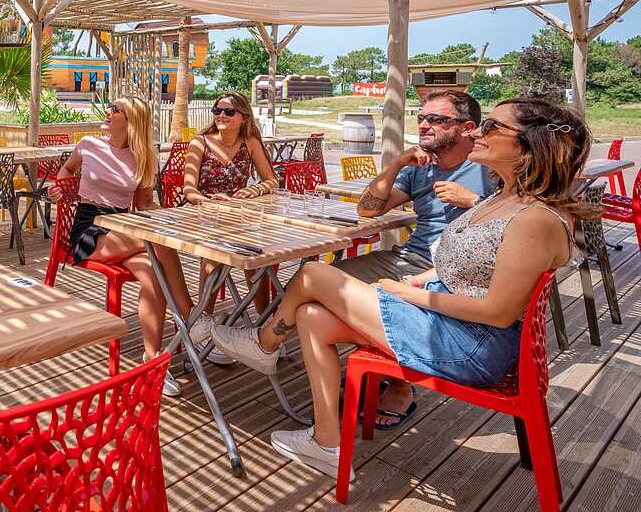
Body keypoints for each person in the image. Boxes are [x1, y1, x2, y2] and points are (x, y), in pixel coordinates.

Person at [209, 98, 589, 480]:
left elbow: (498, 312)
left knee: (312, 276)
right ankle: (326, 442)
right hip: (446, 319)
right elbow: (441, 252)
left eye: (490, 127)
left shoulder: (535, 218)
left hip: (470, 345)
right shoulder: (505, 196)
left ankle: (263, 344)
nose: (477, 132)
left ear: (529, 145)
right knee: (310, 314)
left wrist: (408, 294)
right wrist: (419, 280)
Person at [344, 89, 495, 427]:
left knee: (383, 298)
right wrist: (396, 162)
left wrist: (473, 201)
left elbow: (520, 221)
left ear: (467, 127)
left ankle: (399, 386)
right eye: (422, 117)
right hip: (408, 255)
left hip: (455, 269)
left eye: (437, 119)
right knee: (325, 281)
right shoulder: (420, 167)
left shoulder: (489, 168)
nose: (425, 125)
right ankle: (371, 368)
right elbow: (367, 210)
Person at [48, 95, 199, 397]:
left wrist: (171, 215)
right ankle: (193, 317)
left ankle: (151, 361)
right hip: (91, 228)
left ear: (131, 123)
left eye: (115, 110)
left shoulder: (145, 156)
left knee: (153, 274)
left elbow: (144, 204)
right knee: (157, 239)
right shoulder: (89, 145)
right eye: (110, 106)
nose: (108, 110)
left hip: (125, 225)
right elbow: (65, 171)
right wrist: (62, 191)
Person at [182, 90, 279, 320]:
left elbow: (272, 180)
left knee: (256, 256)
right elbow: (188, 190)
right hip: (203, 211)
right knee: (214, 254)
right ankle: (205, 320)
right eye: (217, 111)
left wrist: (254, 189)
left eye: (228, 111)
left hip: (237, 213)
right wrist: (208, 201)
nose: (221, 115)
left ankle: (262, 322)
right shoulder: (200, 143)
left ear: (243, 117)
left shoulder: (250, 143)